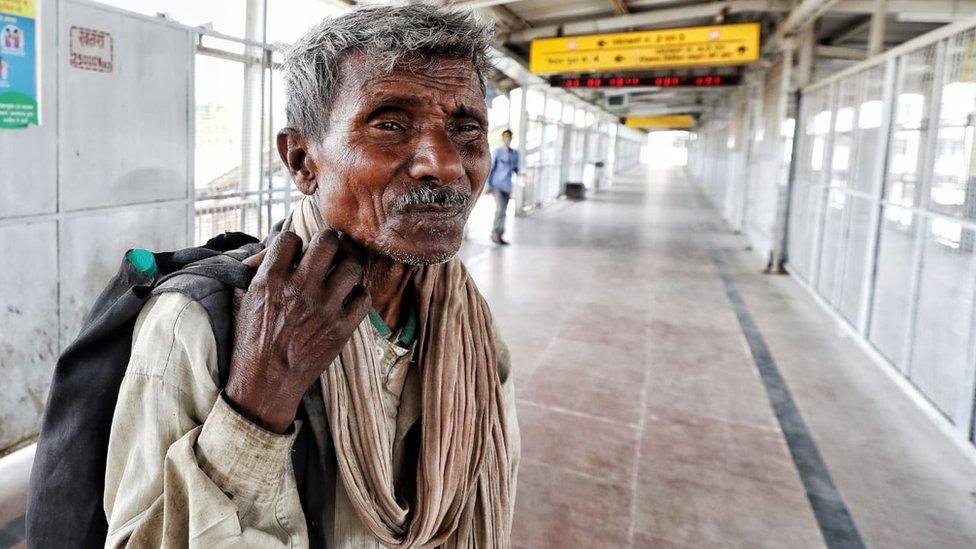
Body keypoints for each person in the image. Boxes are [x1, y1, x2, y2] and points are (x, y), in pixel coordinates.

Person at [102, 5, 519, 547]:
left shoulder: (474, 333)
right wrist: (257, 405)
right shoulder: (197, 326)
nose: (443, 164)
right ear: (302, 160)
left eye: (466, 130)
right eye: (390, 124)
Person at [485, 129, 519, 245]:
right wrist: (488, 185)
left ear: (511, 139)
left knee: (504, 211)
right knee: (500, 209)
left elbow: (515, 169)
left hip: (507, 186)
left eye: (509, 138)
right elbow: (490, 169)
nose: (507, 140)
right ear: (502, 139)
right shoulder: (497, 152)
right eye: (505, 138)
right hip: (497, 185)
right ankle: (494, 234)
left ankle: (500, 235)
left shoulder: (514, 154)